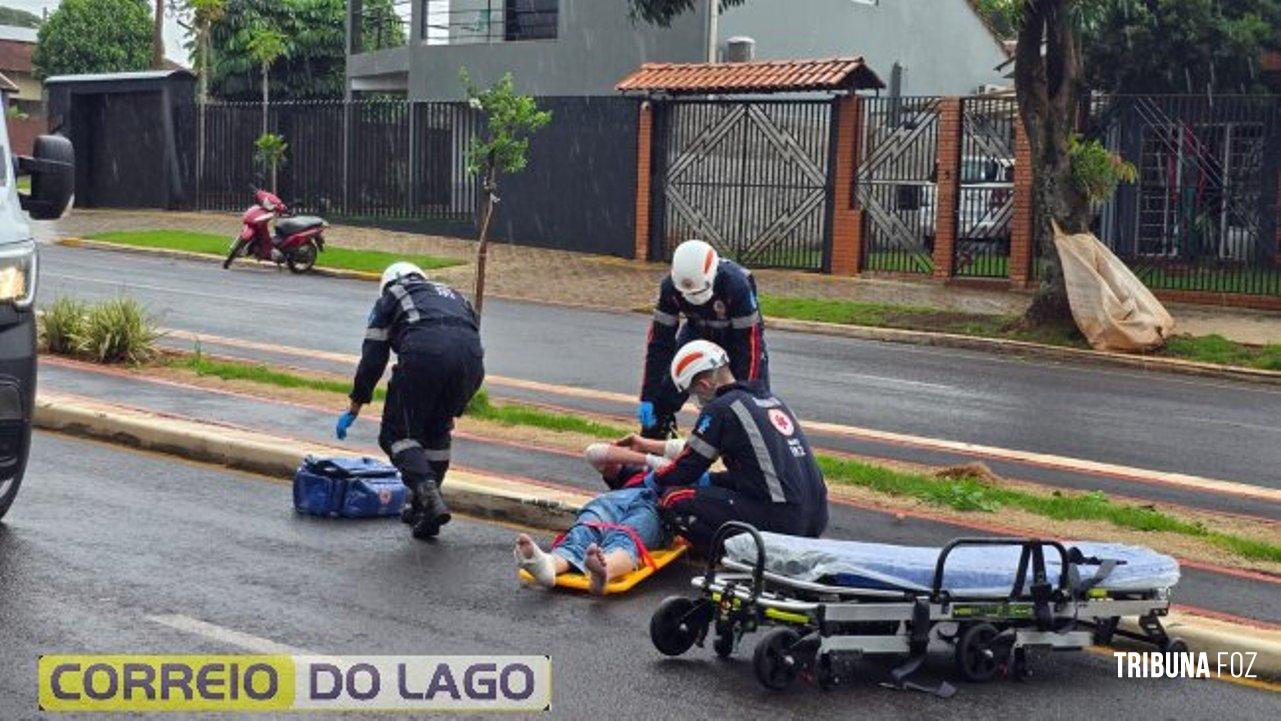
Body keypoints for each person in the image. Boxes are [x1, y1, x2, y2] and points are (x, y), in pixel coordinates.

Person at [337, 262, 485, 541]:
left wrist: (357, 401)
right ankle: (426, 510)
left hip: (425, 355)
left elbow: (373, 355)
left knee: (397, 434)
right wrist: (457, 402)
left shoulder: (393, 295)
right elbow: (468, 341)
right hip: (472, 364)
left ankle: (426, 492)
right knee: (437, 431)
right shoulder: (453, 295)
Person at [642, 339, 827, 551]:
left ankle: (724, 554)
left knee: (673, 499)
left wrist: (654, 480)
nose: (697, 399)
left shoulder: (722, 408)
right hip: (815, 518)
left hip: (784, 519)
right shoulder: (771, 400)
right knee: (708, 486)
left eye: (694, 392)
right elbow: (759, 476)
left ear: (704, 385)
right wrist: (711, 480)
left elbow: (687, 467)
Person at [638, 239, 768, 439]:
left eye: (699, 292)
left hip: (736, 338)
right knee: (665, 392)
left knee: (753, 405)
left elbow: (749, 346)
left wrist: (744, 395)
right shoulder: (670, 289)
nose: (694, 298)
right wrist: (649, 396)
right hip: (696, 331)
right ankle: (654, 446)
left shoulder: (736, 285)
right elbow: (659, 343)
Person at [514, 443, 676, 595]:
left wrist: (663, 455)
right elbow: (595, 453)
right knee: (587, 526)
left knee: (628, 534)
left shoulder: (688, 470)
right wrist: (650, 458)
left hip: (655, 508)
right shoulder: (637, 471)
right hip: (615, 501)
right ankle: (550, 566)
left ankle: (605, 569)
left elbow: (688, 448)